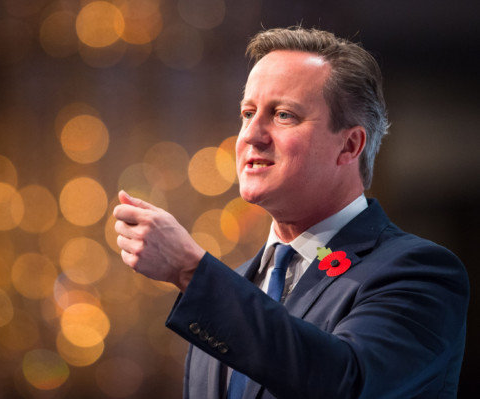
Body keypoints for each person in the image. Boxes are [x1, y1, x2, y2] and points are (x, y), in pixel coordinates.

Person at [113, 27, 469, 398]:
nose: (251, 134)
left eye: (283, 115)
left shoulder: (419, 273)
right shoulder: (234, 286)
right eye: (247, 113)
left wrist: (191, 269)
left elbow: (346, 384)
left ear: (349, 145)